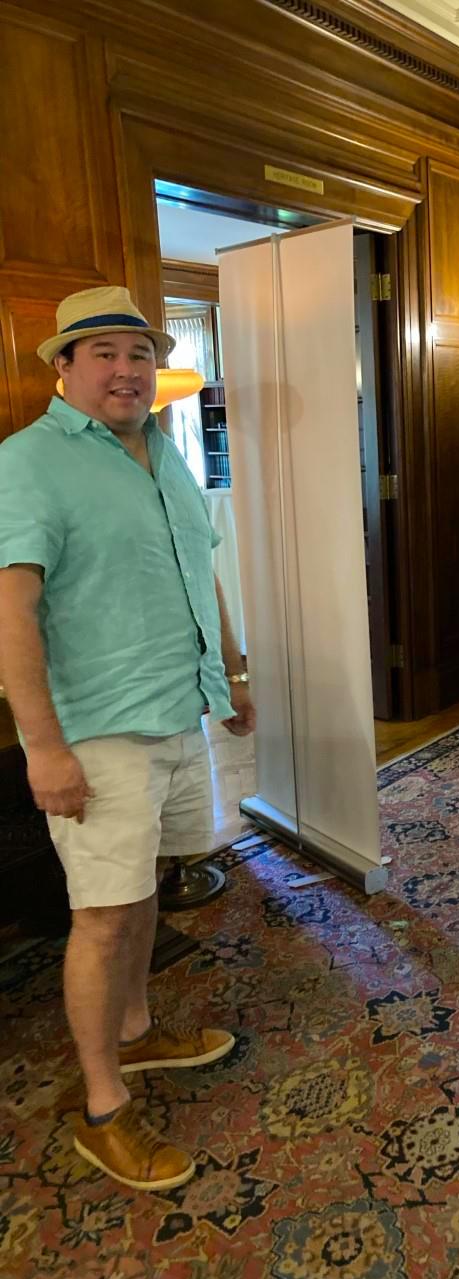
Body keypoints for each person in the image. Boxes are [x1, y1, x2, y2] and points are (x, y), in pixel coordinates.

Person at [0, 286, 256, 1190]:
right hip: (98, 732)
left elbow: (200, 572)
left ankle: (138, 1032)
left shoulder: (163, 450)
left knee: (148, 884)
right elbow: (12, 613)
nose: (126, 370)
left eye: (139, 353)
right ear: (64, 367)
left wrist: (231, 675)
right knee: (101, 918)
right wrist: (42, 748)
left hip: (177, 709)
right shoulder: (28, 462)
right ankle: (103, 1109)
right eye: (103, 352)